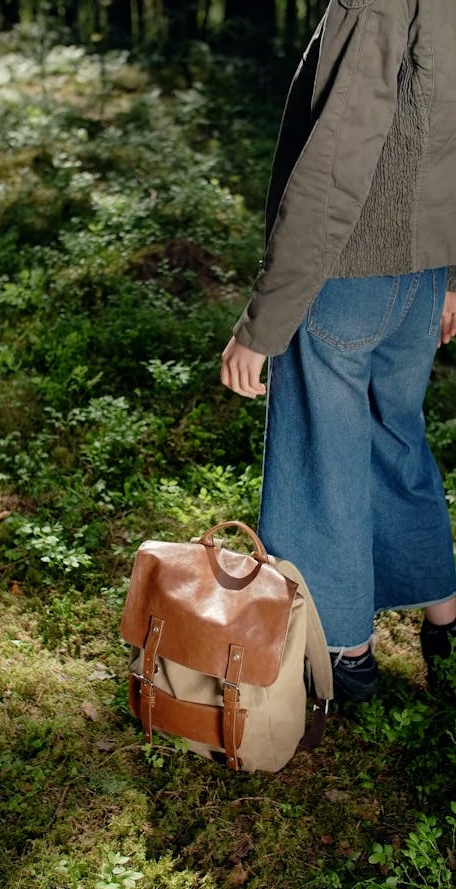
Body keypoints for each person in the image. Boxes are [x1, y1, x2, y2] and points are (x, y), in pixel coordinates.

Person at [220, 0, 456, 702]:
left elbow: (336, 160)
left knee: (323, 455)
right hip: (424, 275)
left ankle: (345, 656)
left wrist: (264, 322)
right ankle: (446, 616)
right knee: (395, 434)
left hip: (350, 271)